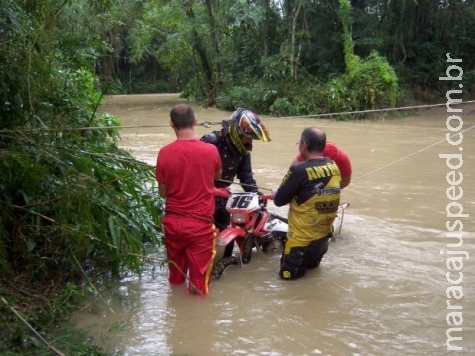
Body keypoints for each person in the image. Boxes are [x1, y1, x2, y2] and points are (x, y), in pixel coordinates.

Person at [156, 104, 222, 295]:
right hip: (199, 227)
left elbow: (163, 193)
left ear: (171, 124)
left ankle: (176, 311)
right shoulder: (211, 151)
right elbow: (217, 177)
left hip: (172, 224)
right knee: (198, 285)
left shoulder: (164, 153)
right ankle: (196, 319)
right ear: (195, 121)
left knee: (175, 278)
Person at [200, 108, 271, 259]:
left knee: (226, 229)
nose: (249, 142)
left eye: (252, 138)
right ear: (237, 133)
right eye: (248, 137)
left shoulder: (243, 150)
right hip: (202, 194)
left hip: (223, 195)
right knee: (202, 234)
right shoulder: (212, 141)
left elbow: (246, 176)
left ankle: (224, 263)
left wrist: (256, 195)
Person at [273, 127, 341, 280]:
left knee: (288, 287)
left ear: (304, 145)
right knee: (309, 280)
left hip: (300, 243)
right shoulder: (333, 166)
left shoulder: (299, 169)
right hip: (322, 241)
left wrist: (276, 192)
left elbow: (279, 201)